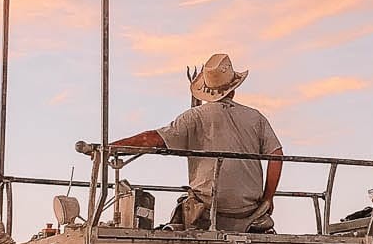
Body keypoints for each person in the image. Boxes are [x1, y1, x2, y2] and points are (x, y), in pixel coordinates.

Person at [111, 52, 283, 234]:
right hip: (248, 211)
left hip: (207, 209)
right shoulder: (255, 117)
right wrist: (268, 198)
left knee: (181, 209)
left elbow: (153, 139)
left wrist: (111, 148)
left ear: (208, 90)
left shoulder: (194, 116)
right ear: (233, 88)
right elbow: (277, 155)